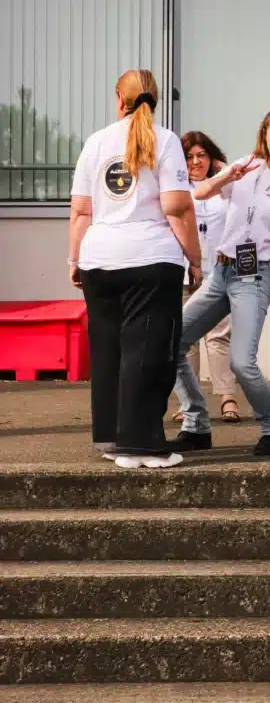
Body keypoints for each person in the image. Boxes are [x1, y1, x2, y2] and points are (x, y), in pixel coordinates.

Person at [173, 103, 270, 456]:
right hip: (221, 271)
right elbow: (200, 193)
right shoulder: (246, 165)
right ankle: (196, 424)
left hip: (254, 276)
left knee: (242, 361)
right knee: (171, 342)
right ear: (265, 134)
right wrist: (227, 176)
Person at [69, 69, 202, 469]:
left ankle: (111, 437)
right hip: (149, 259)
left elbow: (80, 212)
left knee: (109, 350)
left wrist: (74, 259)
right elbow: (177, 207)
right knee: (148, 351)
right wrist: (195, 258)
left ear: (119, 99)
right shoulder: (165, 141)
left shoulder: (95, 142)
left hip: (99, 259)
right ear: (155, 100)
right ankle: (141, 445)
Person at [171, 131, 242, 425]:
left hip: (218, 270)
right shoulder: (174, 187)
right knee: (185, 339)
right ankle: (190, 400)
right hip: (184, 271)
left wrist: (225, 172)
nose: (195, 162)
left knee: (219, 335)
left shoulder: (224, 188)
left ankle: (227, 396)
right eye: (189, 156)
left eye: (201, 155)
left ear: (212, 158)